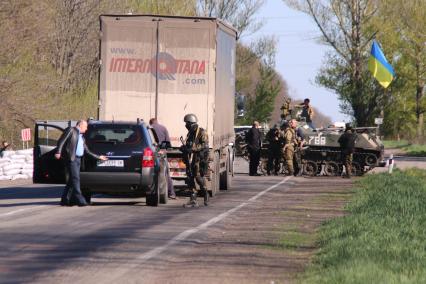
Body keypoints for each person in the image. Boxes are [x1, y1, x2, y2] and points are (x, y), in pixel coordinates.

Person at [55, 120, 107, 206]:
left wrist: (99, 157)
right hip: (72, 159)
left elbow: (87, 151)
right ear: (80, 125)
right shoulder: (71, 130)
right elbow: (61, 141)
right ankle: (80, 200)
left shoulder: (81, 137)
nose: (86, 129)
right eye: (85, 127)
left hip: (78, 160)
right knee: (76, 179)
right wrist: (58, 152)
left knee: (71, 181)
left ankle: (65, 200)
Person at [181, 114, 209, 207]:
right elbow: (189, 144)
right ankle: (193, 199)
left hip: (199, 159)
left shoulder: (201, 132)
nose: (186, 125)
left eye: (187, 123)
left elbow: (204, 145)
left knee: (198, 177)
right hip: (190, 159)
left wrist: (193, 149)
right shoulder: (190, 133)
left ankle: (205, 193)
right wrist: (184, 148)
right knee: (189, 178)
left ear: (191, 123)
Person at [149, 118, 176, 199]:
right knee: (165, 173)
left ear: (150, 122)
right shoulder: (163, 128)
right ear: (157, 121)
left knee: (150, 172)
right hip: (162, 153)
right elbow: (168, 142)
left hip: (151, 153)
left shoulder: (149, 129)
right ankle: (171, 193)